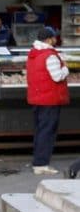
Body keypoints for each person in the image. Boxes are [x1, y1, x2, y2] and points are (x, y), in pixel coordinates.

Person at [27, 26, 70, 175]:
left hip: (37, 98)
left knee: (40, 131)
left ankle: (38, 161)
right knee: (47, 132)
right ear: (49, 39)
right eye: (54, 37)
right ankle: (41, 164)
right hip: (50, 99)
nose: (56, 39)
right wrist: (66, 68)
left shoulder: (33, 53)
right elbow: (57, 76)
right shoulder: (50, 56)